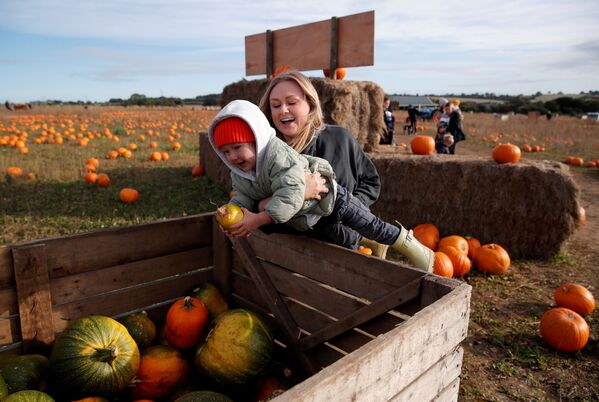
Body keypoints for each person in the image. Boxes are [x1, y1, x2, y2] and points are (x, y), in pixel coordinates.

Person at [208, 99, 434, 272]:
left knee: (372, 225)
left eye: (237, 147)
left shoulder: (278, 156)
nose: (233, 157)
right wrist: (233, 211)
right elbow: (243, 194)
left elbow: (292, 193)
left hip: (334, 200)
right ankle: (374, 243)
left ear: (256, 139)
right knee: (345, 236)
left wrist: (257, 219)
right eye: (225, 152)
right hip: (309, 215)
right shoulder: (241, 171)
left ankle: (410, 244)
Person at [257, 70, 385, 255]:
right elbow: (254, 201)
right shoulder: (267, 153)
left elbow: (371, 181)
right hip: (287, 249)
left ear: (310, 104)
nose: (283, 110)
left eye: (292, 102)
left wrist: (352, 208)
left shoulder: (339, 138)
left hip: (339, 249)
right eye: (276, 105)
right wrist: (299, 193)